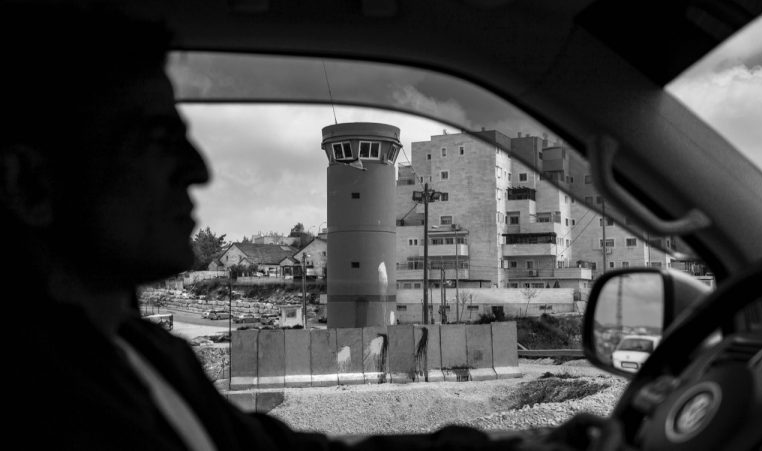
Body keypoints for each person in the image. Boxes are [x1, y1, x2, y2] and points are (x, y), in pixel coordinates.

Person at [1, 4, 626, 450]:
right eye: (155, 138)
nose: (195, 167)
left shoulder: (141, 354)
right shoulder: (46, 398)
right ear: (32, 185)